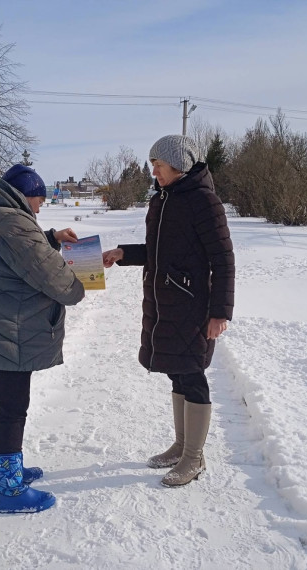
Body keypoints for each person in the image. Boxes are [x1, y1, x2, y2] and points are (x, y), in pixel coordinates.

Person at [0, 164, 85, 513]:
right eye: (39, 201)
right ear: (27, 194)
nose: (39, 208)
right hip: (5, 330)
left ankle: (2, 471)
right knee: (11, 408)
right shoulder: (10, 221)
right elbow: (47, 272)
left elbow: (12, 255)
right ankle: (10, 491)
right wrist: (79, 282)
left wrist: (52, 238)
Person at [102, 135, 235, 487]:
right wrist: (123, 254)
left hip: (192, 306)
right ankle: (181, 446)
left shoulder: (204, 202)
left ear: (179, 164)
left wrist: (219, 312)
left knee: (192, 374)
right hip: (165, 304)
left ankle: (194, 458)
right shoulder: (163, 200)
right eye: (152, 165)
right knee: (177, 371)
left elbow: (223, 260)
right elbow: (159, 250)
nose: (154, 172)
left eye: (158, 165)